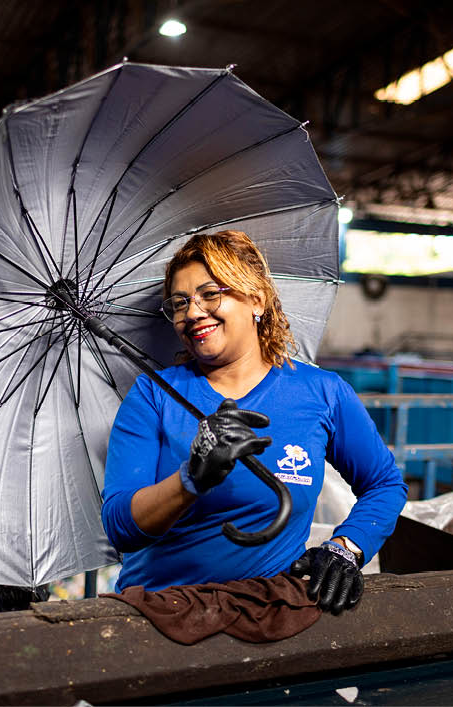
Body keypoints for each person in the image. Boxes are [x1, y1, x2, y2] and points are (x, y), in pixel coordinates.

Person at [101, 230, 407, 615]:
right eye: (179, 303)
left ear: (256, 300)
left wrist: (345, 547)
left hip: (273, 611)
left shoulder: (321, 393)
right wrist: (190, 479)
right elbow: (119, 527)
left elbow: (384, 483)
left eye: (211, 294)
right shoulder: (154, 395)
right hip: (161, 614)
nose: (192, 312)